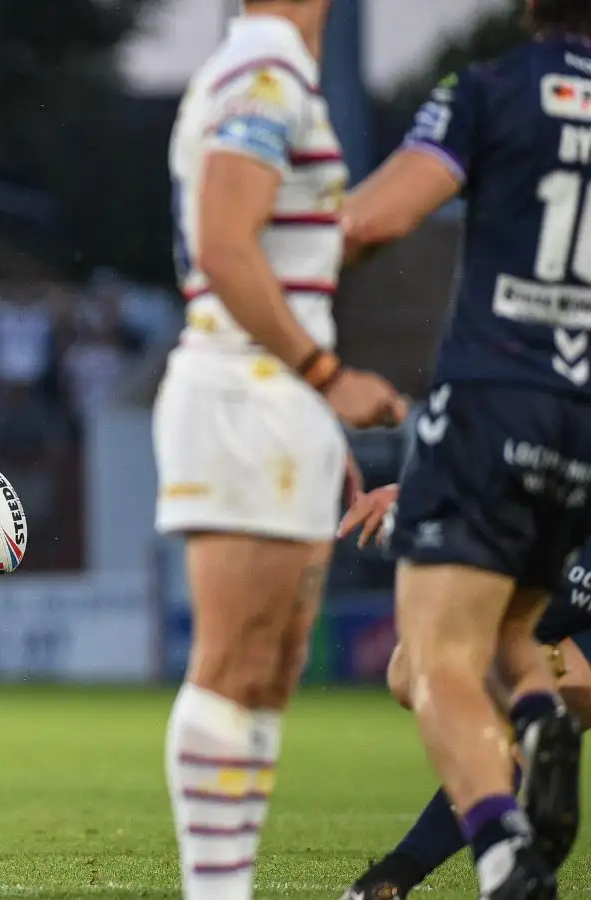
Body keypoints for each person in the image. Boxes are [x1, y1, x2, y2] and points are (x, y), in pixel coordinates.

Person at [156, 2, 406, 898]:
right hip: (243, 385)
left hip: (272, 393)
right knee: (233, 665)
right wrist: (325, 374)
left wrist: (312, 397)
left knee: (268, 671)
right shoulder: (264, 66)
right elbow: (225, 245)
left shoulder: (270, 68)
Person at [340, 2, 591, 895]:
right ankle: (535, 718)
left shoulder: (491, 91)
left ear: (531, 9)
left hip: (496, 398)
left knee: (429, 666)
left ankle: (501, 854)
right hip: (580, 425)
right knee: (511, 642)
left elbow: (372, 221)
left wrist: (271, 266)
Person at [338, 486, 591, 899]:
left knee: (565, 689)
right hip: (551, 579)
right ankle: (400, 876)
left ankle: (536, 719)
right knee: (416, 676)